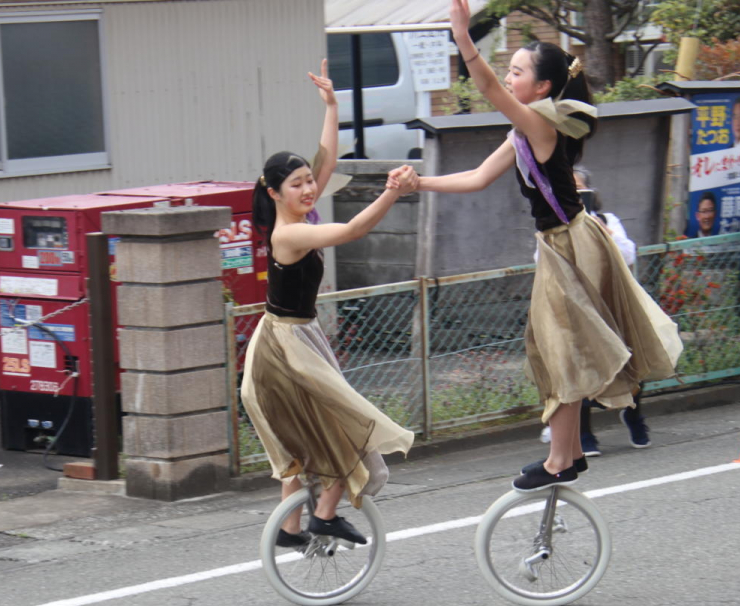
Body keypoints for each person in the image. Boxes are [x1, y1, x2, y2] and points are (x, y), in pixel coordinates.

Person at [398, 0, 681, 492]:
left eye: (517, 71)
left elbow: (487, 89)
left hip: (571, 244)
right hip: (560, 243)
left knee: (561, 350)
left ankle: (560, 459)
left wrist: (463, 38)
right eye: (508, 70)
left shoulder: (542, 124)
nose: (508, 78)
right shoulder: (525, 131)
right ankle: (568, 453)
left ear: (543, 87)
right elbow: (477, 177)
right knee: (557, 350)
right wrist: (419, 183)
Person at [241, 60, 415, 548]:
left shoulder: (299, 213)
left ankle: (290, 529)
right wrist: (391, 192)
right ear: (274, 193)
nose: (308, 188)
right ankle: (323, 515)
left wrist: (333, 106)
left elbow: (326, 160)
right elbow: (354, 229)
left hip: (292, 337)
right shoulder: (289, 234)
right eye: (296, 184)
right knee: (342, 425)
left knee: (305, 435)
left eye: (307, 182)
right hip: (286, 346)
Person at [569, 167, 650, 456]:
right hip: (577, 305)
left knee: (630, 360)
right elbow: (543, 260)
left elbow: (628, 254)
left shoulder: (607, 220)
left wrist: (602, 231)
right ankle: (584, 432)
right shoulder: (553, 224)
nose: (574, 193)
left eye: (579, 188)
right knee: (581, 366)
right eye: (567, 188)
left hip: (612, 302)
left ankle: (633, 413)